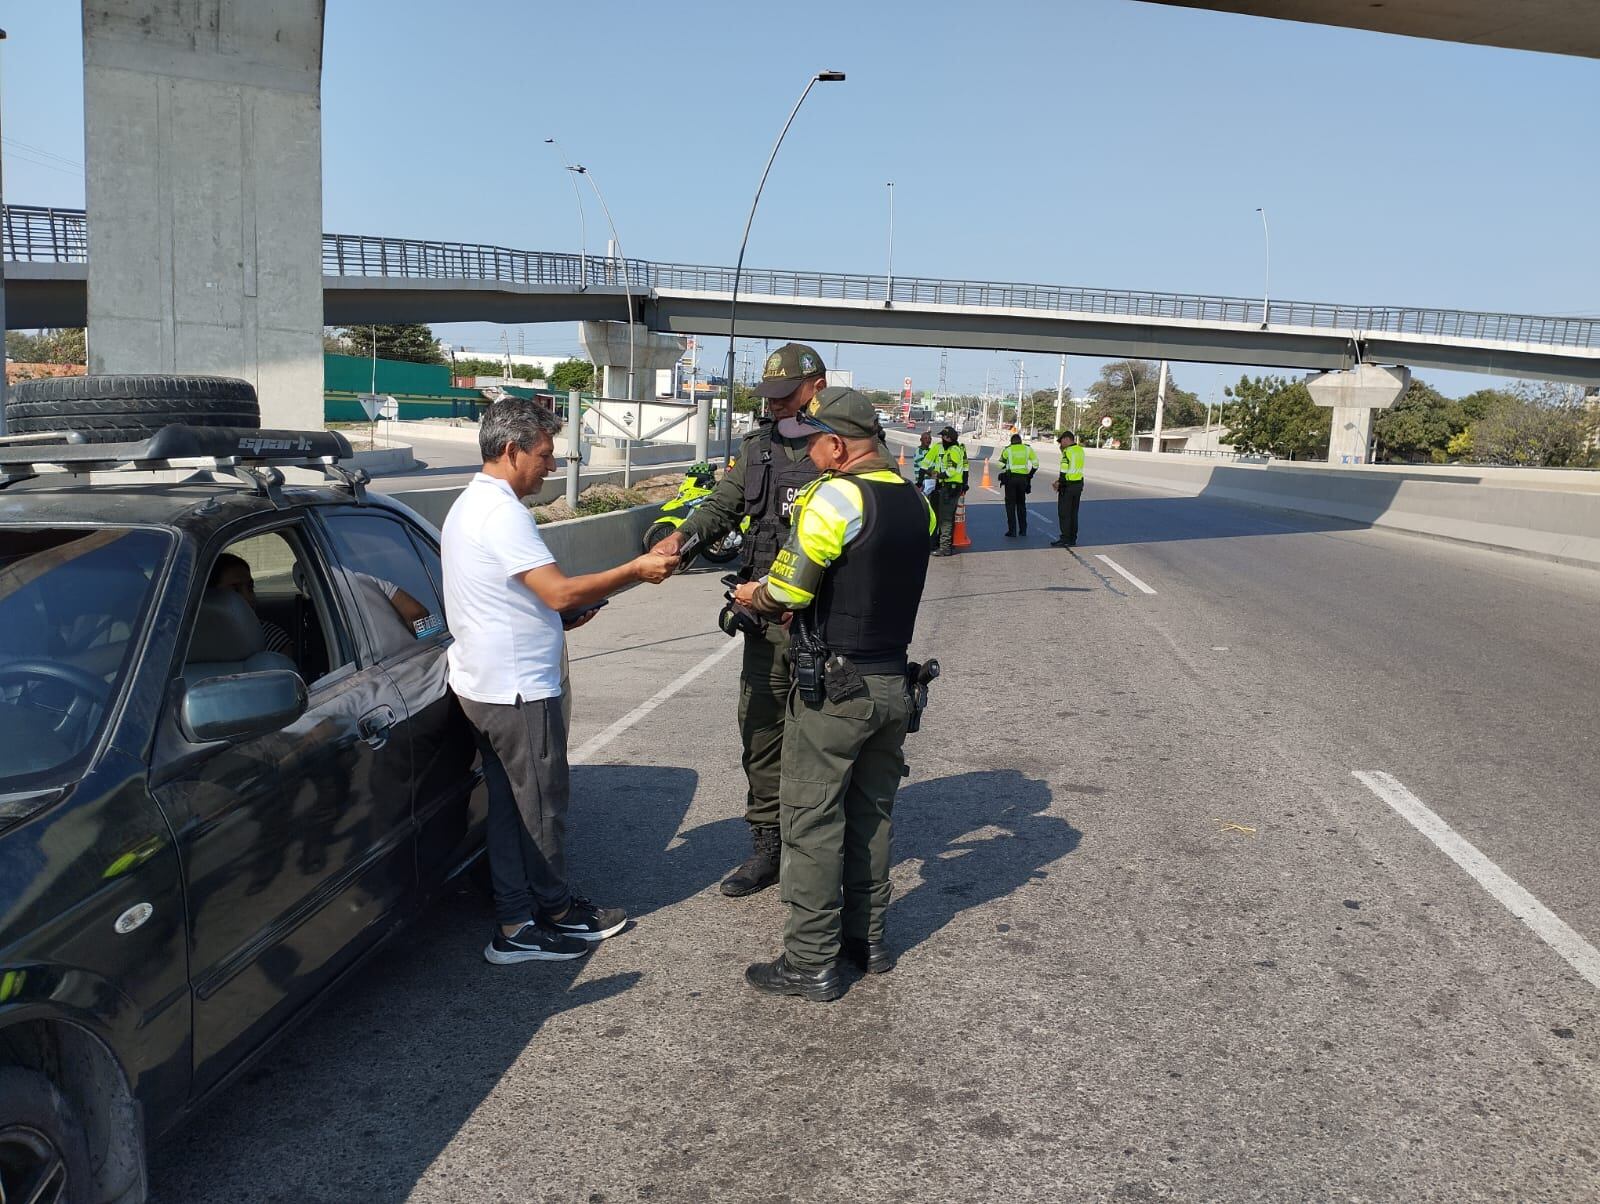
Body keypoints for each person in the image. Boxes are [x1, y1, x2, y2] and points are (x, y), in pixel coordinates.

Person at [442, 398, 679, 965]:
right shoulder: (503, 513)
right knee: (542, 807)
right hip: (519, 689)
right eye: (544, 455)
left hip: (486, 683)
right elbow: (556, 590)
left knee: (509, 806)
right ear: (511, 450)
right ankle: (555, 914)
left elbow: (523, 594)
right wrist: (634, 571)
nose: (551, 465)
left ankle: (516, 918)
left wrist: (562, 611)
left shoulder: (470, 505)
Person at [730, 388, 934, 1001]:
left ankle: (810, 961)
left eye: (812, 441)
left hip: (836, 690)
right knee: (871, 814)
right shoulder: (914, 501)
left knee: (811, 819)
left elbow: (789, 592)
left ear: (838, 444)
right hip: (894, 682)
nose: (806, 453)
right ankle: (865, 941)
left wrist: (751, 597)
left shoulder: (835, 495)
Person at [650, 343, 829, 898]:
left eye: (786, 395)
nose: (774, 406)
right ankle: (767, 847)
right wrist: (680, 539)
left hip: (825, 623)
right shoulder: (756, 451)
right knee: (761, 735)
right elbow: (720, 508)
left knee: (822, 740)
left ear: (817, 387)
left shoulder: (844, 448)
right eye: (768, 397)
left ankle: (820, 850)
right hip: (764, 622)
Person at [209, 553, 294, 655]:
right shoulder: (191, 640)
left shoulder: (271, 637)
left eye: (250, 588)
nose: (249, 598)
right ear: (210, 595)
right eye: (236, 590)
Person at [931, 425, 967, 557]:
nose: (941, 439)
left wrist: (939, 475)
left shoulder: (953, 451)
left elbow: (951, 470)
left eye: (943, 436)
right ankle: (947, 545)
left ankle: (944, 547)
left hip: (950, 486)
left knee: (945, 519)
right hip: (952, 486)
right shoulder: (954, 449)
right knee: (947, 517)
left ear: (948, 438)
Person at [996, 432, 1039, 538]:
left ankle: (1012, 531)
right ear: (1021, 441)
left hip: (1011, 480)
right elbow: (1036, 464)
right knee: (1021, 505)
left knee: (1010, 506)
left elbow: (1000, 465)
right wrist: (1029, 475)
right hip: (1023, 480)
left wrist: (1007, 465)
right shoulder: (1027, 449)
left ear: (1011, 442)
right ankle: (1023, 530)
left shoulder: (1008, 450)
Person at [1052, 430, 1085, 549]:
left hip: (1068, 486)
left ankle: (1065, 538)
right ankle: (1072, 538)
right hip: (1078, 484)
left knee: (1064, 513)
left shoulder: (1067, 452)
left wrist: (1059, 483)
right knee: (1073, 513)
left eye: (1061, 442)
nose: (1061, 445)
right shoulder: (1080, 450)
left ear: (1066, 439)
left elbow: (1064, 470)